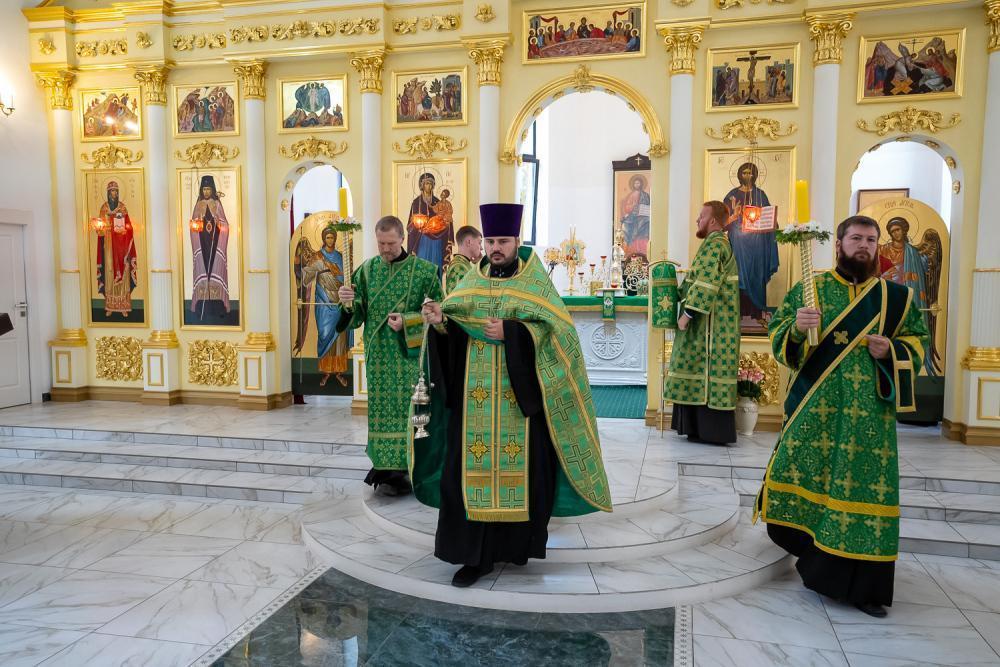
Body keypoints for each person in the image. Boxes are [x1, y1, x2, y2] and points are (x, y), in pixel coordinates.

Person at [415, 203, 612, 588]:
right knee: (465, 476)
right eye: (490, 241)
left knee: (525, 475)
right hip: (473, 404)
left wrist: (515, 332)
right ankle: (474, 556)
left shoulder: (534, 282)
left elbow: (559, 334)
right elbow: (456, 327)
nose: (495, 248)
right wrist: (441, 322)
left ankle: (513, 547)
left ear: (517, 241)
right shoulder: (470, 282)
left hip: (519, 404)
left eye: (503, 241)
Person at [755, 215, 928, 618]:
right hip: (817, 412)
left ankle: (867, 589)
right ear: (839, 244)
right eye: (856, 238)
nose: (864, 245)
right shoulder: (811, 289)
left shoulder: (896, 298)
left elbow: (918, 342)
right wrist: (797, 329)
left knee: (864, 495)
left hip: (870, 420)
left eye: (871, 239)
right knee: (812, 480)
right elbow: (780, 339)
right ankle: (815, 559)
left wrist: (893, 351)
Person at [337, 216, 443, 496]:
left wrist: (408, 320)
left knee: (410, 412)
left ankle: (410, 468)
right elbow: (357, 314)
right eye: (381, 243)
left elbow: (440, 312)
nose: (385, 249)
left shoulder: (424, 271)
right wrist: (347, 302)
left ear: (402, 239)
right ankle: (384, 468)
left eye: (391, 244)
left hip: (409, 357)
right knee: (381, 413)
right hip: (379, 357)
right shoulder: (367, 271)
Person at [664, 201, 740, 445]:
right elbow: (694, 282)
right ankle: (698, 429)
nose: (697, 220)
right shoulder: (716, 244)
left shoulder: (715, 244)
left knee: (701, 367)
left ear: (713, 221)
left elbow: (706, 283)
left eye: (702, 216)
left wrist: (687, 315)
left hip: (709, 326)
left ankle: (708, 430)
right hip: (714, 322)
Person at [293, 225, 350, 388]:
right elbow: (305, 276)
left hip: (339, 300)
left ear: (335, 239)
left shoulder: (341, 257)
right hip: (324, 301)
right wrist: (298, 265)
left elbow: (348, 276)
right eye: (327, 237)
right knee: (325, 334)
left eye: (332, 237)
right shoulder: (317, 257)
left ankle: (339, 371)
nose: (330, 240)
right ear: (324, 239)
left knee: (339, 336)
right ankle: (325, 371)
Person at [723, 161, 779, 323]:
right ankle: (737, 312)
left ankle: (758, 313)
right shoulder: (732, 195)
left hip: (757, 242)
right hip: (738, 241)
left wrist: (772, 222)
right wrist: (734, 215)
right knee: (738, 273)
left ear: (755, 175)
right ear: (739, 175)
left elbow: (768, 215)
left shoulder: (760, 194)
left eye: (750, 173)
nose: (748, 175)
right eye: (745, 172)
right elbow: (724, 221)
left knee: (757, 273)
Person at [189, 175, 232, 321]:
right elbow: (193, 227)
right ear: (201, 190)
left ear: (212, 190)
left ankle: (218, 307)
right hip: (202, 244)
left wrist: (219, 225)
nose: (206, 192)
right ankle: (201, 305)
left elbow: (225, 225)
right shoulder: (198, 205)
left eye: (208, 189)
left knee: (215, 270)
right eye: (204, 189)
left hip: (215, 244)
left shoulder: (217, 204)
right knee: (203, 270)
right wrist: (195, 225)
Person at [95, 180, 137, 319]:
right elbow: (100, 230)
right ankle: (110, 306)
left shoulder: (122, 208)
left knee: (123, 273)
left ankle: (124, 306)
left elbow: (129, 228)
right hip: (108, 246)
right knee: (109, 271)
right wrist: (99, 229)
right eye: (112, 191)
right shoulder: (104, 209)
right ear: (108, 193)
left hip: (122, 247)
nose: (114, 193)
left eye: (116, 191)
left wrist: (124, 229)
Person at [443, 225, 483, 295]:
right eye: (479, 243)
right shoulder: (458, 267)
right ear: (469, 242)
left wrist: (480, 264)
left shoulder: (464, 264)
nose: (481, 248)